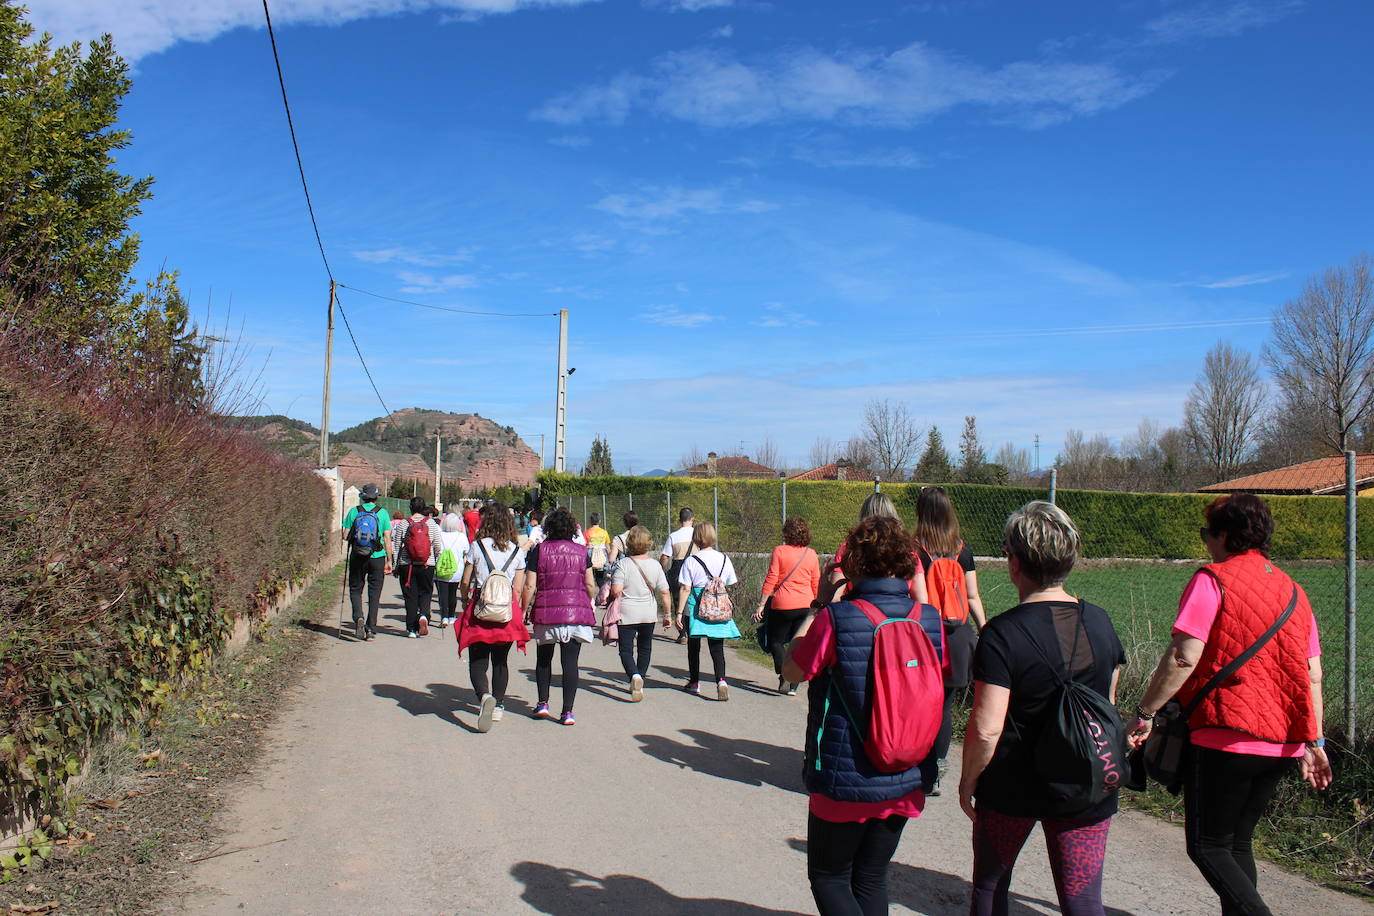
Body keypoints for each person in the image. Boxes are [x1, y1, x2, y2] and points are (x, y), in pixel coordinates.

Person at [1128, 494, 1331, 916]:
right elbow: (1312, 674)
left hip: (1227, 734)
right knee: (1236, 843)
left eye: (1208, 535)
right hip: (1283, 742)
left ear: (1225, 536)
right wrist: (1314, 741)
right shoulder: (1295, 591)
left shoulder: (1213, 580)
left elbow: (1184, 655)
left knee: (1207, 846)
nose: (1206, 544)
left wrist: (1145, 712)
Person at [960, 501, 1126, 916]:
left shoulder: (1002, 634)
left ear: (1014, 562)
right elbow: (1108, 698)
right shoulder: (1100, 621)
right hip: (1084, 783)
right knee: (1083, 898)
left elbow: (986, 729)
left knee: (990, 887)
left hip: (1012, 786)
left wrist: (968, 783)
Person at [781, 515, 945, 916]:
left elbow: (791, 671)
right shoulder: (929, 619)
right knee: (871, 878)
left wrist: (819, 607)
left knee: (829, 877)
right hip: (907, 775)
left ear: (854, 562)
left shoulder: (836, 619)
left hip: (845, 776)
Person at [913, 485, 987, 795]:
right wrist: (984, 628)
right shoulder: (962, 550)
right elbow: (972, 595)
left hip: (926, 636)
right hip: (958, 638)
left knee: (920, 703)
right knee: (944, 707)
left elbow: (919, 597)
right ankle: (937, 768)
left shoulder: (915, 550)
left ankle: (915, 763)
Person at [458, 503, 529, 732]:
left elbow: (466, 581)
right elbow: (518, 589)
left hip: (481, 608)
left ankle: (483, 696)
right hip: (506, 611)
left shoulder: (477, 547)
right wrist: (514, 609)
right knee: (501, 661)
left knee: (478, 661)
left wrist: (464, 600)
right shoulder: (517, 551)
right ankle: (498, 704)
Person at [522, 507, 596, 725]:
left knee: (544, 660)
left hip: (547, 612)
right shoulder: (582, 552)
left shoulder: (540, 550)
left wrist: (524, 609)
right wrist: (588, 601)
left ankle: (543, 703)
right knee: (570, 663)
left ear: (548, 528)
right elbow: (590, 583)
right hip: (575, 613)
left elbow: (529, 585)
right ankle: (567, 712)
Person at [752, 515, 821, 695]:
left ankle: (784, 674)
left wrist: (761, 604)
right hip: (806, 604)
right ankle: (794, 683)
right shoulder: (811, 554)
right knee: (797, 642)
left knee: (775, 640)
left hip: (783, 604)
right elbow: (816, 582)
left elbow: (772, 579)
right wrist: (817, 605)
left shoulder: (779, 551)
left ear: (786, 533)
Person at [825, 492, 929, 606]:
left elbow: (835, 596)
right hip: (899, 614)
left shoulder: (850, 547)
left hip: (860, 614)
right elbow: (922, 600)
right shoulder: (908, 549)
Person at [673, 522, 740, 700]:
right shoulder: (724, 558)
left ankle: (694, 682)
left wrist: (679, 612)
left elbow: (685, 588)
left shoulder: (691, 561)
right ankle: (722, 681)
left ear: (696, 538)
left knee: (693, 647)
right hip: (718, 607)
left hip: (696, 608)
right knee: (717, 647)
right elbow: (730, 582)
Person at [607, 525, 672, 700]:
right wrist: (667, 615)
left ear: (630, 543)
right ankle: (640, 678)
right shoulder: (655, 565)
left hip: (627, 613)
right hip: (648, 613)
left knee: (626, 650)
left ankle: (634, 676)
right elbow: (664, 593)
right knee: (645, 648)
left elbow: (615, 591)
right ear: (649, 543)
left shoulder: (623, 564)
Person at [341, 483, 394, 640]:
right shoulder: (383, 513)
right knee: (374, 593)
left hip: (358, 555)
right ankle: (371, 629)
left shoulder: (354, 511)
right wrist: (389, 559)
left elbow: (345, 535)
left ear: (363, 497)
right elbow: (387, 538)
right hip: (377, 557)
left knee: (356, 588)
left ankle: (358, 617)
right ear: (376, 497)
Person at [393, 496, 443, 638]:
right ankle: (423, 616)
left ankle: (411, 630)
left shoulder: (403, 523)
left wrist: (395, 565)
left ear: (410, 508)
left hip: (407, 565)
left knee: (410, 596)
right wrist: (435, 556)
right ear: (424, 508)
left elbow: (397, 546)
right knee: (426, 592)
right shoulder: (432, 524)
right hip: (427, 564)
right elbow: (438, 545)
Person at [660, 507, 697, 643]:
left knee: (678, 600)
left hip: (678, 568)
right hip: (695, 568)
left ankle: (682, 634)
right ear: (693, 518)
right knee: (694, 599)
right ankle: (694, 630)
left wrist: (663, 570)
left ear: (679, 520)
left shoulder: (673, 536)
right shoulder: (698, 535)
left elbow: (665, 556)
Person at [435, 512, 469, 628]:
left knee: (443, 594)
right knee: (453, 593)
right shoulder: (461, 536)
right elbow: (466, 551)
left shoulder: (439, 534)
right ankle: (451, 616)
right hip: (456, 569)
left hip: (441, 567)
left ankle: (444, 616)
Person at [585, 512, 611, 587]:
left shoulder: (587, 532)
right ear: (600, 521)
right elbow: (607, 546)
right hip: (602, 555)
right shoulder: (604, 532)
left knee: (590, 576)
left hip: (590, 555)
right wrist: (609, 557)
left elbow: (584, 545)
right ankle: (602, 594)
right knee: (600, 578)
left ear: (590, 521)